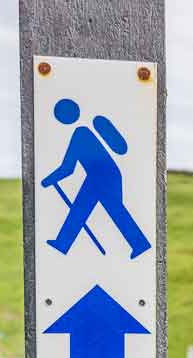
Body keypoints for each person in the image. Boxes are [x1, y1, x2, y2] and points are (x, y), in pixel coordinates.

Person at [41, 98, 151, 259]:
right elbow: (69, 168)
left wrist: (48, 180)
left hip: (103, 177)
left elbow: (68, 168)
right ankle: (63, 243)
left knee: (107, 210)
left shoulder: (80, 134)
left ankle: (140, 244)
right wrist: (51, 179)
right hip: (103, 176)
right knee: (83, 210)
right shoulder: (84, 132)